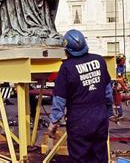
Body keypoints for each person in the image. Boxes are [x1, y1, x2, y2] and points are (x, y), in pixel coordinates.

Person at [48, 29, 113, 162]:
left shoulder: (66, 67)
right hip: (100, 118)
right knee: (100, 157)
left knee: (80, 158)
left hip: (79, 120)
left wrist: (54, 122)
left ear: (67, 49)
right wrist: (108, 112)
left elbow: (59, 99)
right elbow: (108, 92)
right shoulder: (99, 61)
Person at [112, 54, 128, 119]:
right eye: (123, 60)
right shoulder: (115, 67)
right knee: (110, 99)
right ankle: (112, 114)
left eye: (124, 60)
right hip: (111, 83)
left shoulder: (122, 67)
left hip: (116, 84)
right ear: (118, 60)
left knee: (117, 99)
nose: (124, 61)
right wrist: (124, 86)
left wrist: (124, 82)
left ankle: (120, 114)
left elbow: (120, 77)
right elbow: (118, 78)